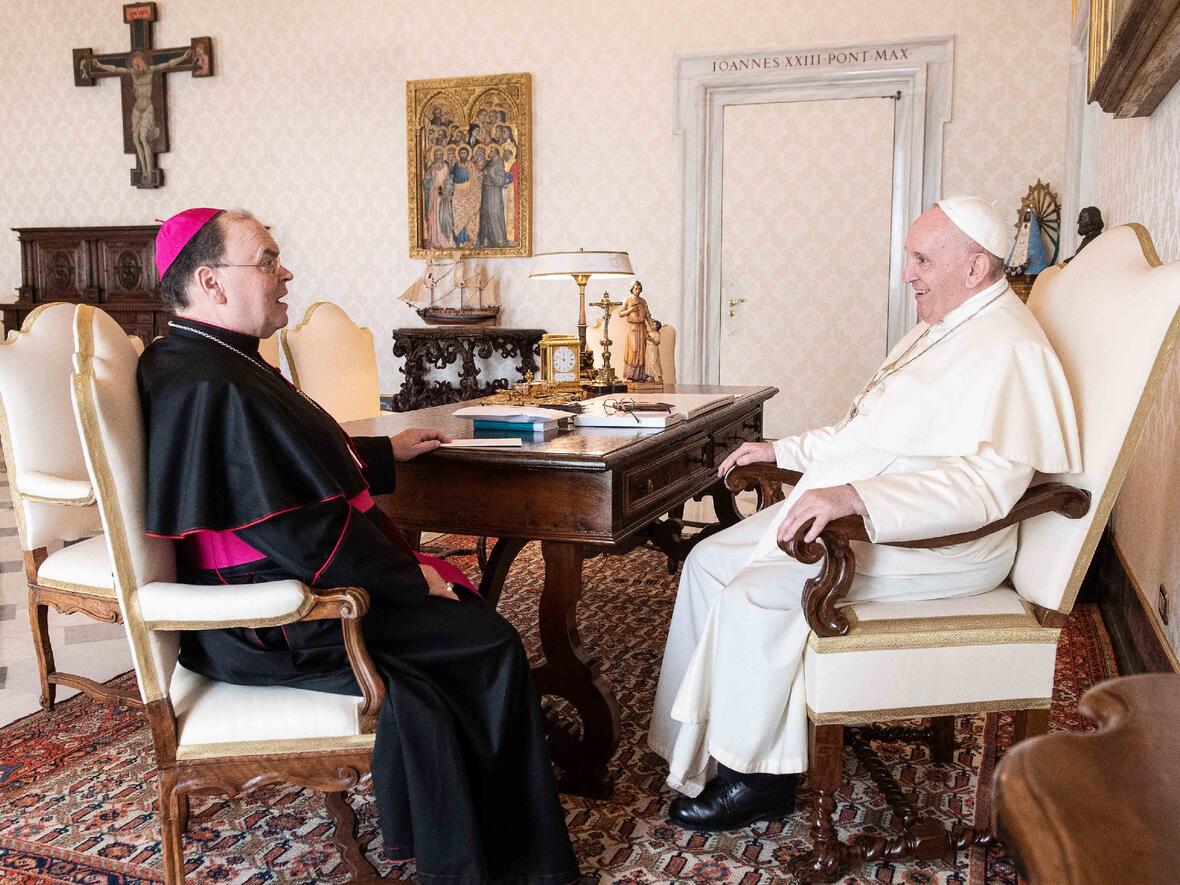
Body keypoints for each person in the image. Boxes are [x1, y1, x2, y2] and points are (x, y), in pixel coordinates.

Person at [139, 208, 584, 884]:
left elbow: (286, 469)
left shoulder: (208, 358)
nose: (286, 272)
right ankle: (509, 861)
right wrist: (409, 577)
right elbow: (292, 526)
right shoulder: (212, 383)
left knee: (467, 634)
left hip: (277, 587)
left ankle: (476, 839)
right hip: (273, 619)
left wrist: (379, 453)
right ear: (210, 281)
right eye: (267, 259)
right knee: (487, 640)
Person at [648, 195, 1082, 831]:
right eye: (910, 257)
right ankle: (701, 742)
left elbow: (984, 491)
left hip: (946, 543)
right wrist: (783, 450)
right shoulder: (943, 326)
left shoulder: (1011, 349)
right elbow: (867, 436)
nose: (907, 273)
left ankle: (758, 779)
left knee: (755, 596)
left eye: (921, 259)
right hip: (880, 512)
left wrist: (855, 498)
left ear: (974, 267)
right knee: (708, 560)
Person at [90, 48, 192, 183]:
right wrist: (100, 65)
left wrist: (184, 57)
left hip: (148, 109)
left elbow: (168, 64)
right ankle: (144, 173)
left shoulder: (151, 70)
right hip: (137, 109)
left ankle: (149, 173)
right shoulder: (133, 73)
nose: (135, 67)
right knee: (136, 139)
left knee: (144, 138)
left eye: (137, 64)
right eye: (133, 65)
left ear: (142, 63)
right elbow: (116, 69)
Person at [618, 281, 653, 381]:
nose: (638, 291)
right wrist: (631, 310)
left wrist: (652, 327)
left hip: (642, 327)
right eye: (636, 289)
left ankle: (641, 375)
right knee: (633, 350)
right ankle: (630, 375)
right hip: (632, 327)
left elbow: (648, 315)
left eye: (639, 289)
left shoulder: (643, 301)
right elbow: (620, 314)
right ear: (632, 289)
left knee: (642, 351)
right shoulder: (627, 300)